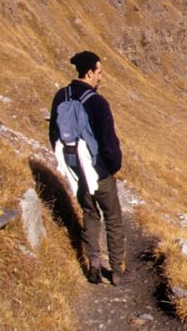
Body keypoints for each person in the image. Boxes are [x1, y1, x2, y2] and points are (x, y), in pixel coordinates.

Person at [49, 51, 130, 285]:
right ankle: (117, 271)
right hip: (98, 171)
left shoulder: (60, 96)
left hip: (76, 170)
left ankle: (93, 264)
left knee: (89, 213)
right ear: (89, 72)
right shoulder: (97, 102)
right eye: (99, 72)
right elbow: (108, 142)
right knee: (112, 217)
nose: (101, 77)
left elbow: (54, 134)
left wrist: (68, 163)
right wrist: (113, 167)